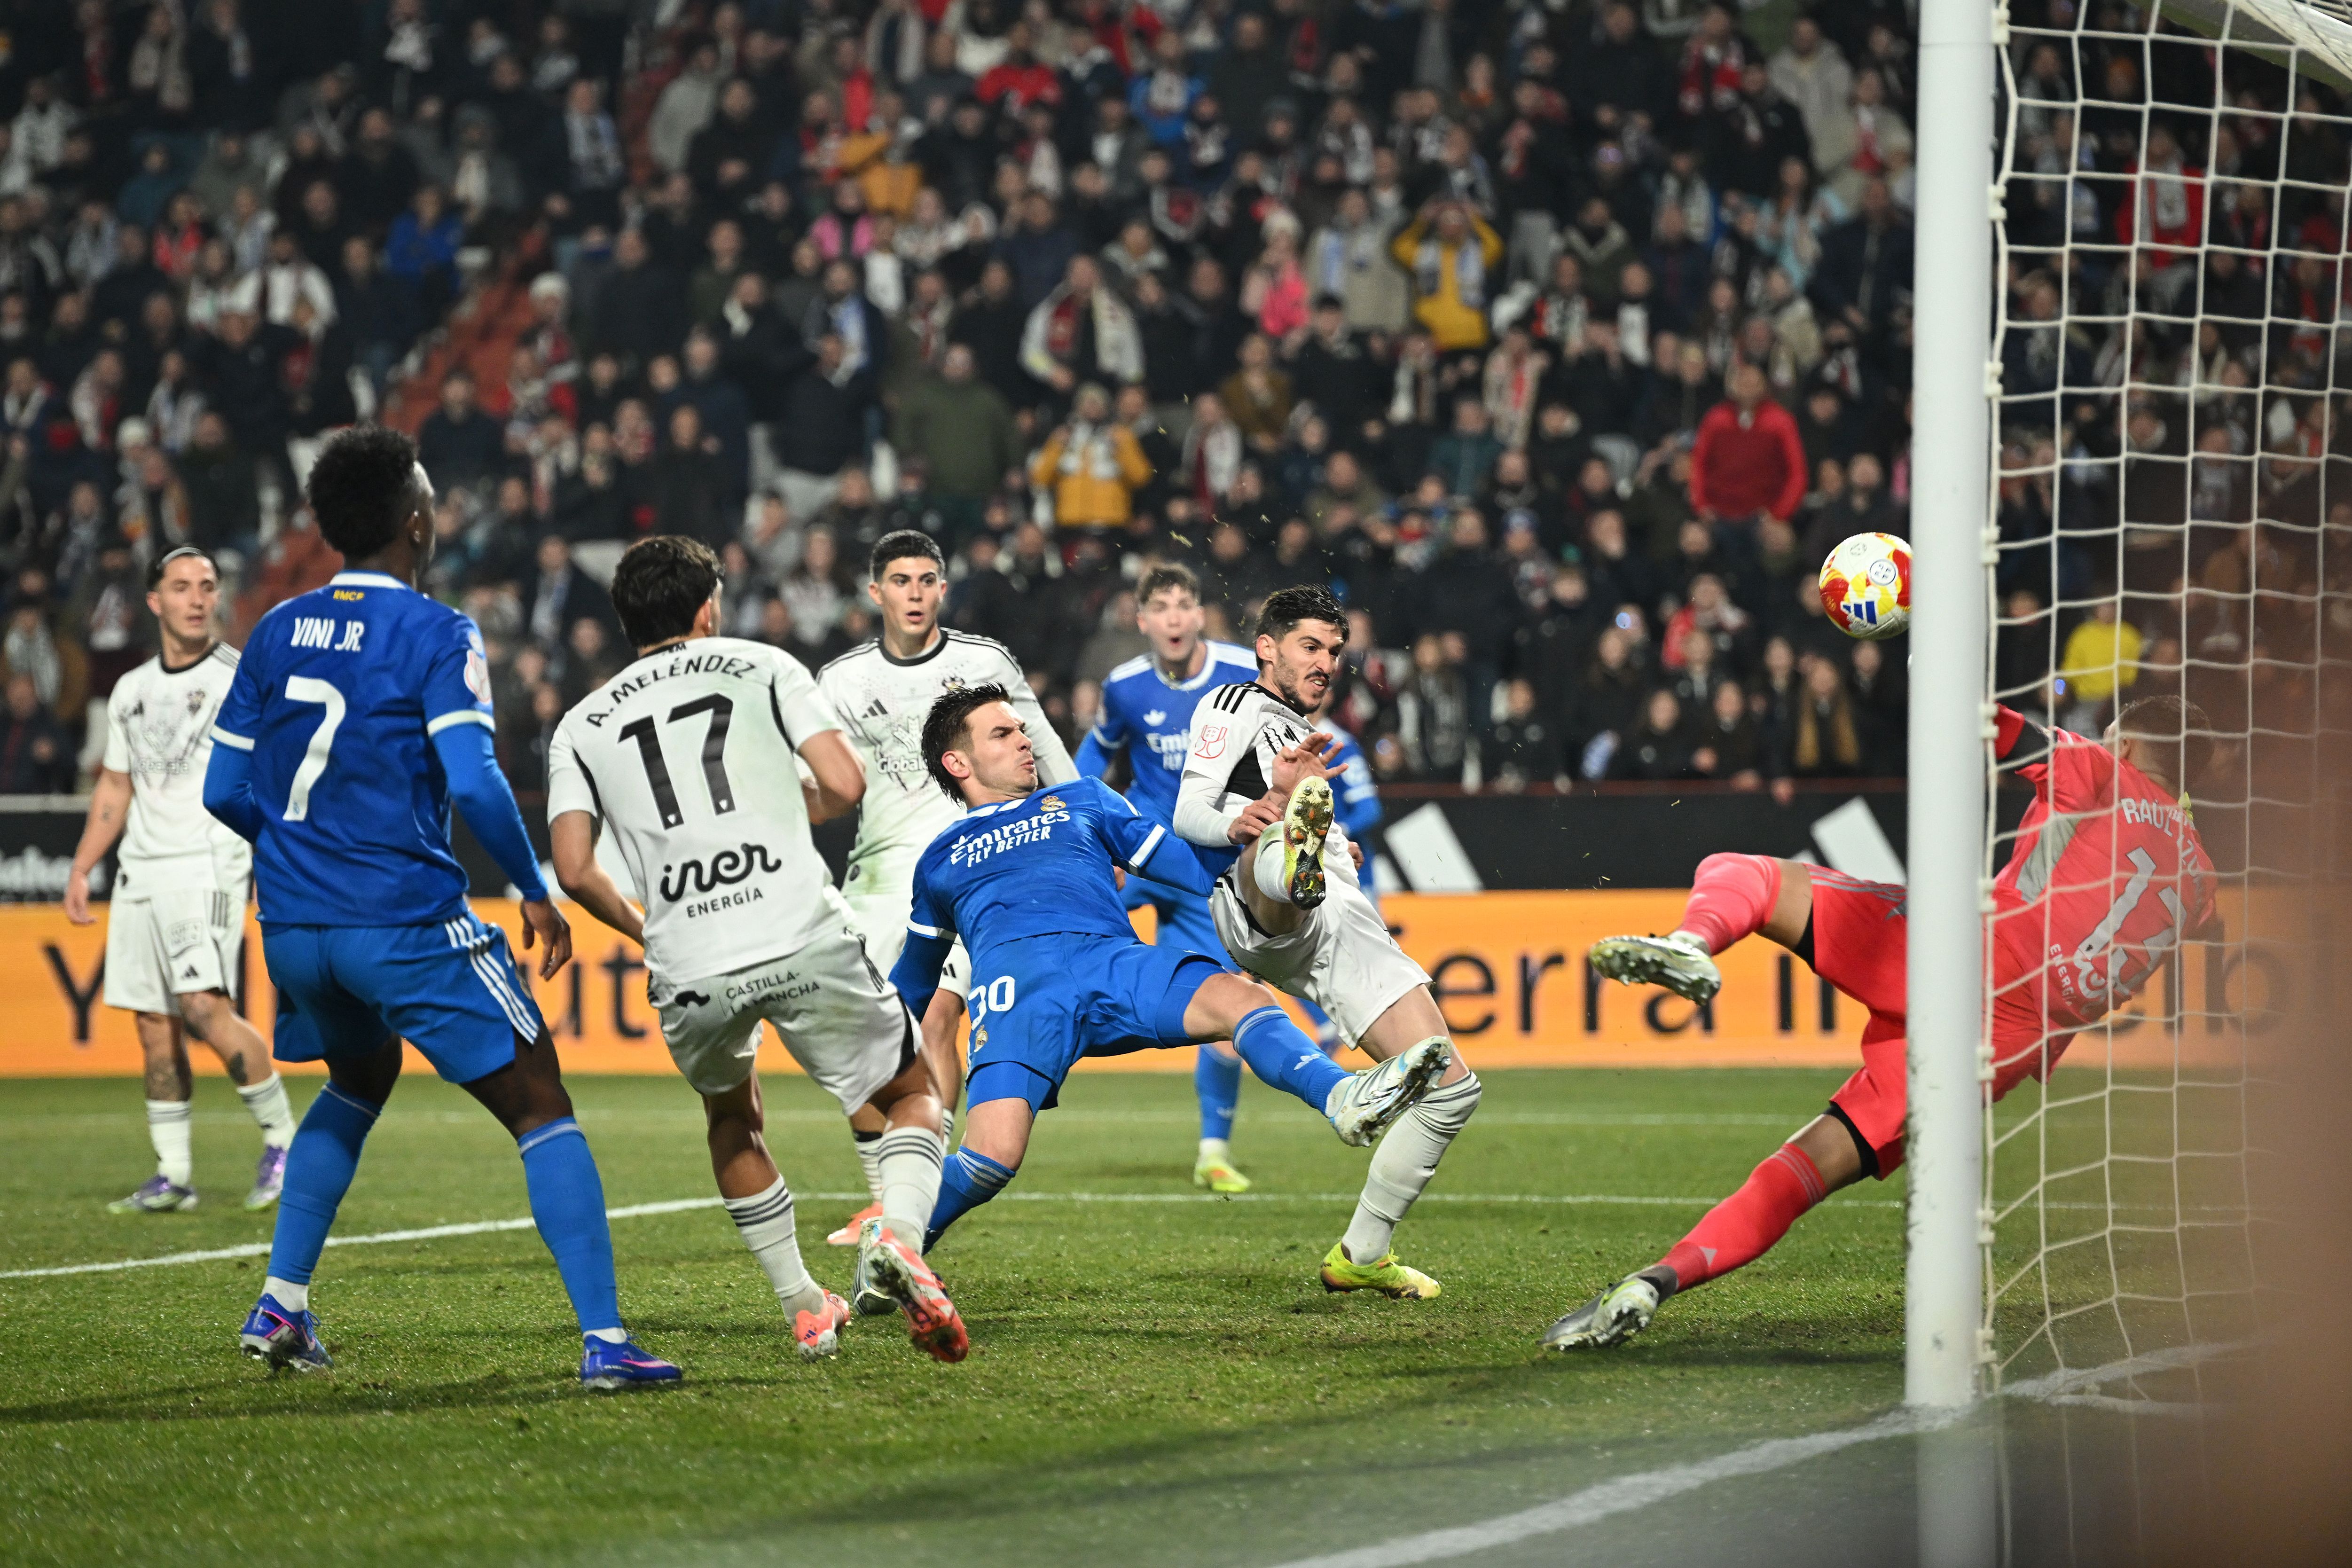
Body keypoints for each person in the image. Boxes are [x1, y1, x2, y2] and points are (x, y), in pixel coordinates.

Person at [202, 427, 678, 1390]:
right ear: (416, 524)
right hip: (401, 916)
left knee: (357, 1079)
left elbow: (222, 790)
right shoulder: (437, 632)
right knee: (540, 1101)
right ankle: (605, 1341)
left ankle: (282, 1303)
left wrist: (300, 852)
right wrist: (535, 889)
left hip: (294, 929)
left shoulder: (274, 629)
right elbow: (473, 778)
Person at [1550, 696, 2219, 1349]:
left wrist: (1919, 651)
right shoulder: (2201, 883)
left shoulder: (2101, 772)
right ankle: (1655, 1282)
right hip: (2008, 1043)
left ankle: (1691, 944)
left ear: (2127, 747)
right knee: (1809, 1165)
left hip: (1964, 957)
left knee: (1743, 873)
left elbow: (1991, 724)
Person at [544, 536, 965, 1364]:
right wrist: (779, 806)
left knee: (732, 1120)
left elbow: (573, 869)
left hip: (688, 957)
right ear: (708, 607)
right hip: (795, 926)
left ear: (626, 620)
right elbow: (844, 784)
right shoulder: (762, 665)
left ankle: (805, 1308)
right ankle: (901, 1240)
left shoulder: (581, 725)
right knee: (912, 1089)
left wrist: (647, 928)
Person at [890, 684, 1449, 1250]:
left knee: (1243, 998)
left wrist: (1286, 835)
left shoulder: (1083, 799)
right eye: (1002, 733)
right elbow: (913, 981)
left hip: (1110, 963)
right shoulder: (940, 857)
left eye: (1021, 729)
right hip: (1018, 995)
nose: (1024, 740)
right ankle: (894, 1246)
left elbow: (1191, 867)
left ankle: (1340, 1098)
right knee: (991, 1158)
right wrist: (872, 1053)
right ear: (958, 763)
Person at [1172, 586, 1484, 1298]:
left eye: (1335, 651)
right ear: (1267, 648)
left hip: (1340, 915)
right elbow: (1189, 809)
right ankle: (1294, 863)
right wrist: (1248, 819)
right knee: (1284, 838)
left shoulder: (1304, 733)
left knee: (1451, 1089)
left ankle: (1362, 1254)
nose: (1325, 663)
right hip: (1255, 901)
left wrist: (1336, 847)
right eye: (1309, 647)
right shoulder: (1233, 704)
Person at [815, 531, 1078, 1243]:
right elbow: (814, 784)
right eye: (901, 581)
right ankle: (887, 1198)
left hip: (974, 867)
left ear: (943, 588)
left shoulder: (982, 663)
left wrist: (1085, 830)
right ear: (875, 592)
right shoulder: (840, 681)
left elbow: (1047, 752)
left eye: (927, 580)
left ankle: (912, 1204)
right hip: (876, 880)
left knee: (936, 1017)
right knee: (867, 1039)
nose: (915, 594)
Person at [64, 546, 297, 1215]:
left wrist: (274, 861)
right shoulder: (131, 690)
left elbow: (273, 775)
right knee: (153, 1025)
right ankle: (174, 1175)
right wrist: (82, 865)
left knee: (202, 1009)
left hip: (207, 863)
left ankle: (285, 1142)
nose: (198, 598)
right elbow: (116, 785)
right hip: (141, 869)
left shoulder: (238, 678)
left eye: (207, 586)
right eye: (182, 587)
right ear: (154, 601)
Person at [1073, 562, 1261, 1192]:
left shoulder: (1241, 672)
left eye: (1185, 604)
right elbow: (1098, 751)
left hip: (1204, 859)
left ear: (1200, 614)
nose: (1175, 617)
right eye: (1162, 607)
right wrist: (1071, 809)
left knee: (1228, 1010)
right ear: (1143, 619)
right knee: (1063, 927)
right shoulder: (1125, 686)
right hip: (1141, 848)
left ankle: (1213, 1152)